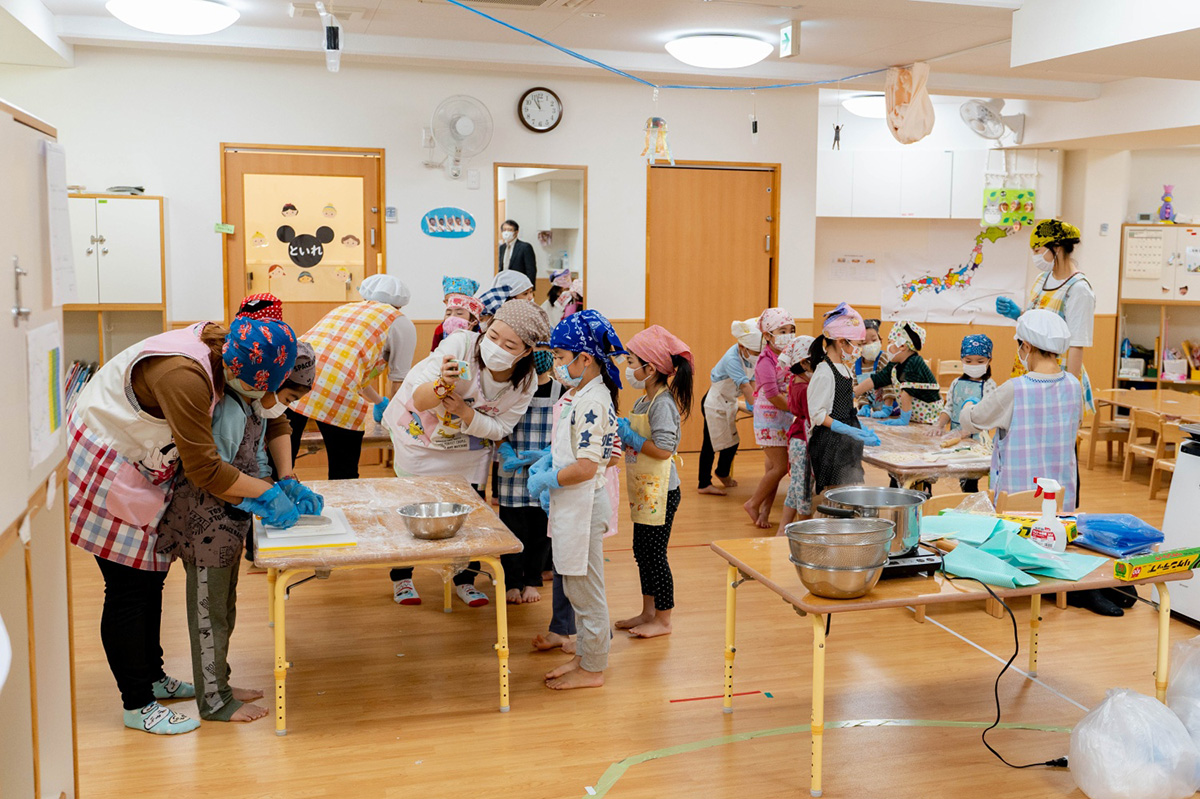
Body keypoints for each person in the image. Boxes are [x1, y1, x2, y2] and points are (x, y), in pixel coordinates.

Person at [66, 319, 301, 735]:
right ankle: (138, 703)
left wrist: (285, 478)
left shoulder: (233, 354)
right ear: (241, 373)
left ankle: (153, 677)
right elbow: (206, 470)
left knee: (149, 581)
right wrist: (267, 495)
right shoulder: (184, 376)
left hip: (144, 462)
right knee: (128, 589)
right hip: (106, 458)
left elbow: (272, 416)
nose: (265, 398)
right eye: (260, 388)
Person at [155, 337, 319, 724]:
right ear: (268, 382)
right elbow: (214, 476)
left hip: (227, 524)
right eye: (288, 398)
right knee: (209, 615)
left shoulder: (252, 406)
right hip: (205, 527)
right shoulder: (230, 411)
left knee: (223, 609)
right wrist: (259, 498)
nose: (286, 408)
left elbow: (256, 454)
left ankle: (221, 685)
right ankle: (214, 702)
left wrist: (282, 483)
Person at [383, 300, 548, 606]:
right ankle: (402, 576)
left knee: (468, 513)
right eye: (493, 336)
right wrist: (442, 384)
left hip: (467, 447)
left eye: (509, 345)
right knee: (412, 507)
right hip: (420, 438)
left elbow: (500, 428)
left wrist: (464, 412)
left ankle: (465, 578)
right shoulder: (460, 345)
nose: (496, 347)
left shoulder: (525, 382)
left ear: (526, 351)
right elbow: (420, 399)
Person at [527, 309, 624, 689]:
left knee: (586, 593)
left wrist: (548, 479)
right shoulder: (580, 395)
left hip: (583, 505)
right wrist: (549, 461)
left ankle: (593, 667)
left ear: (585, 359)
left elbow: (587, 467)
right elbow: (604, 454)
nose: (556, 365)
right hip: (573, 503)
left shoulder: (593, 401)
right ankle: (584, 655)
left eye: (561, 357)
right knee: (573, 586)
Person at [286, 274, 416, 480]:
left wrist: (378, 402)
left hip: (293, 378)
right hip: (335, 390)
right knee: (343, 473)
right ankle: (340, 500)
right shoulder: (399, 322)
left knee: (281, 463)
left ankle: (274, 499)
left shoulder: (345, 309)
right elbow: (398, 380)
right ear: (400, 305)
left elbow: (343, 368)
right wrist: (395, 418)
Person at [615, 325, 694, 639]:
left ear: (650, 369)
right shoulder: (642, 402)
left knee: (656, 554)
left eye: (631, 362)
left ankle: (663, 620)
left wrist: (631, 437)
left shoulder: (662, 403)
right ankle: (648, 612)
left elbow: (663, 450)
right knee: (641, 551)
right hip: (644, 490)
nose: (628, 368)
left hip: (662, 492)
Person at [996, 219, 1095, 413]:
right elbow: (1041, 325)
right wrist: (1019, 315)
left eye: (1037, 250)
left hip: (1057, 377)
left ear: (1056, 248)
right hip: (1030, 370)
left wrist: (1070, 394)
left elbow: (1076, 345)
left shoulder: (1078, 289)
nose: (1035, 256)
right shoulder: (1042, 279)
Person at [496, 348, 564, 604]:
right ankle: (512, 582)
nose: (540, 356)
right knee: (512, 529)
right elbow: (496, 426)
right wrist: (505, 449)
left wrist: (546, 453)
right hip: (512, 471)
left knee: (540, 530)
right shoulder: (509, 389)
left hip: (544, 470)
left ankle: (533, 580)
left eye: (546, 350)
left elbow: (565, 432)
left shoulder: (561, 392)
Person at [806, 303, 881, 496]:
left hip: (846, 441)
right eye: (858, 344)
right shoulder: (824, 372)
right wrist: (847, 429)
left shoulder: (845, 368)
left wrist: (858, 429)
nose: (860, 350)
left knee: (849, 491)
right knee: (834, 496)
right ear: (841, 342)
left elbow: (845, 401)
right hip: (831, 443)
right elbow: (817, 414)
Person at [744, 308, 796, 529]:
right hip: (770, 419)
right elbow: (773, 395)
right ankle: (753, 503)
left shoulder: (788, 355)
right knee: (781, 467)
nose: (788, 335)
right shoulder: (766, 360)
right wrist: (797, 409)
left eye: (791, 330)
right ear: (767, 335)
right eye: (782, 331)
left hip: (783, 417)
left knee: (772, 469)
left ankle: (764, 513)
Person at [698, 318, 760, 496]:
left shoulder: (750, 356)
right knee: (710, 445)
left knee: (732, 442)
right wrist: (758, 410)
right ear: (742, 347)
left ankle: (722, 472)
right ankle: (704, 483)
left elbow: (753, 382)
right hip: (714, 402)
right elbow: (745, 387)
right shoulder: (732, 358)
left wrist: (756, 404)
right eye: (755, 352)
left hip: (729, 401)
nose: (757, 355)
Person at [930, 334, 997, 492]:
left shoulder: (989, 385)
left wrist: (966, 431)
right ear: (961, 360)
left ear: (989, 360)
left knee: (970, 480)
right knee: (947, 472)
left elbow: (988, 417)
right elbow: (949, 408)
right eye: (968, 361)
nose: (974, 365)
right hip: (956, 440)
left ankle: (971, 501)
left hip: (976, 443)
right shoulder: (956, 383)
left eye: (980, 361)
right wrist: (939, 425)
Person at [853, 321, 943, 426]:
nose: (887, 347)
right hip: (915, 418)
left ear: (902, 346)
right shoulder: (895, 364)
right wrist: (853, 393)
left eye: (890, 342)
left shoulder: (915, 363)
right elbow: (876, 379)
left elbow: (906, 393)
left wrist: (903, 420)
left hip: (931, 418)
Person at [776, 336, 815, 536]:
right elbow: (813, 418)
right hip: (803, 442)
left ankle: (782, 530)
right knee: (804, 491)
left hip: (797, 439)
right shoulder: (805, 388)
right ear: (804, 363)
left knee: (796, 488)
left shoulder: (796, 381)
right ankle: (804, 533)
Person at [854, 319, 897, 419]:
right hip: (877, 412)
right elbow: (859, 390)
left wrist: (887, 407)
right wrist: (864, 405)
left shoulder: (884, 358)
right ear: (858, 345)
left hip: (893, 408)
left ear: (880, 340)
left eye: (874, 340)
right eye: (864, 342)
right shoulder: (856, 366)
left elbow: (888, 383)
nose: (870, 345)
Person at [430, 275, 483, 351]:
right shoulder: (440, 330)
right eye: (450, 300)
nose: (455, 303)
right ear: (445, 302)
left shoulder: (478, 330)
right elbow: (434, 352)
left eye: (459, 313)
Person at [499, 219, 537, 285]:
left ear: (516, 232)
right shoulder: (502, 247)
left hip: (519, 284)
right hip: (504, 284)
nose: (506, 232)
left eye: (509, 230)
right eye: (504, 230)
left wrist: (530, 286)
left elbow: (531, 270)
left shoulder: (525, 247)